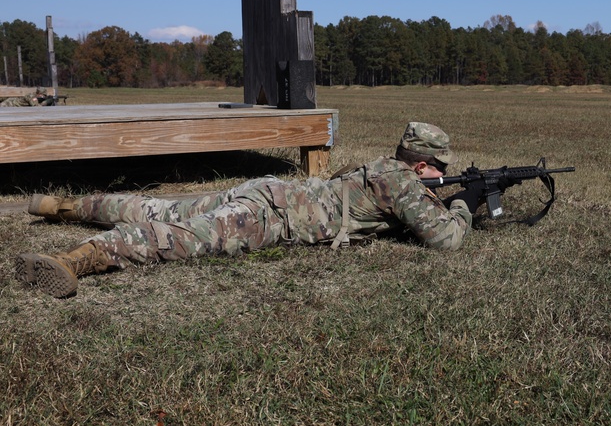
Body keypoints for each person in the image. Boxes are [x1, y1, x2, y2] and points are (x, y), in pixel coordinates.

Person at [16, 122, 487, 298]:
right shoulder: (406, 185)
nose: (436, 178)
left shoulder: (383, 168)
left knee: (158, 207)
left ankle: (65, 206)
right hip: (268, 218)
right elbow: (444, 240)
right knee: (174, 236)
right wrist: (464, 205)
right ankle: (73, 261)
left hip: (267, 190)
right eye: (437, 171)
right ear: (422, 165)